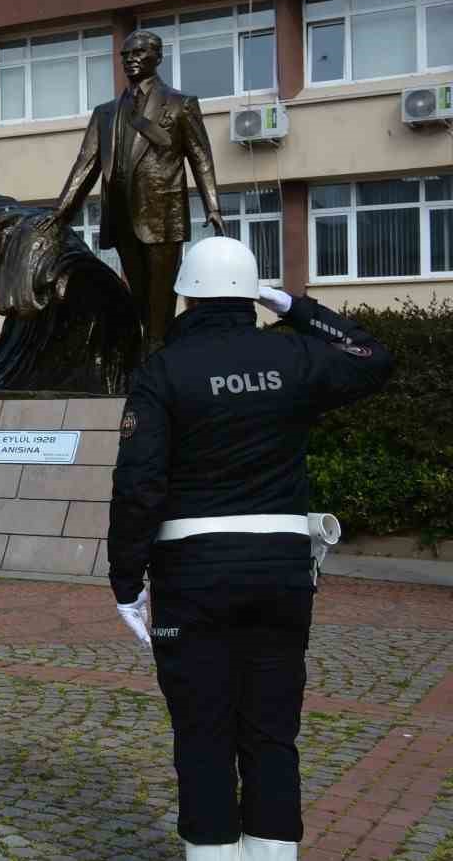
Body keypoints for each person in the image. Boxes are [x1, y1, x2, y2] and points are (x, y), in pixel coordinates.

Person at [108, 237, 393, 861]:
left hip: (193, 573)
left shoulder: (163, 371)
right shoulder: (291, 355)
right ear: (249, 295)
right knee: (271, 731)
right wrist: (292, 305)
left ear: (185, 293)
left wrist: (126, 578)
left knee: (203, 731)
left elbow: (139, 484)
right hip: (282, 570)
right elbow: (371, 356)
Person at [51, 29, 225, 350]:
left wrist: (212, 205)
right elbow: (85, 165)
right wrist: (59, 214)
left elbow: (201, 157)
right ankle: (151, 352)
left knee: (161, 298)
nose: (131, 60)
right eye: (126, 55)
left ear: (157, 58)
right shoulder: (105, 113)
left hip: (162, 214)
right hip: (121, 216)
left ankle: (158, 354)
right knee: (142, 296)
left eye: (139, 53)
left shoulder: (179, 104)